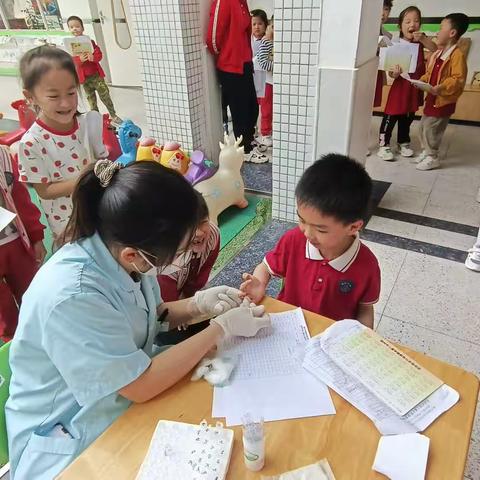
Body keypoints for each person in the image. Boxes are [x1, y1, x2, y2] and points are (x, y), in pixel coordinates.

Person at [6, 160, 271, 480]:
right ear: (133, 254)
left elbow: (150, 314)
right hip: (69, 442)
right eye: (179, 251)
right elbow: (139, 384)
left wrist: (199, 305)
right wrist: (219, 329)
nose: (182, 256)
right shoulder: (72, 296)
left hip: (121, 403)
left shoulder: (119, 250)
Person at [240, 154, 381, 329]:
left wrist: (365, 338)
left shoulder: (367, 264)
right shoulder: (294, 240)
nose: (307, 233)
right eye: (302, 220)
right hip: (286, 327)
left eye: (320, 229)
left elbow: (365, 308)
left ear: (353, 227)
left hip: (331, 339)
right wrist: (260, 284)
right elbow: (266, 267)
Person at [18, 45, 108, 246]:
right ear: (30, 96)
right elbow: (44, 191)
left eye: (71, 93)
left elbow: (100, 155)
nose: (66, 103)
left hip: (96, 209)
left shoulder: (85, 123)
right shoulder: (32, 143)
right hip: (68, 223)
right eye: (54, 96)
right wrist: (85, 178)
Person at [207, 0, 268, 163]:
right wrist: (227, 54)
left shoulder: (242, 2)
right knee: (240, 111)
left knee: (252, 107)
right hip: (230, 66)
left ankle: (248, 141)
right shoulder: (225, 1)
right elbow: (213, 37)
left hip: (245, 63)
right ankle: (244, 150)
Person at [156, 193, 220, 344]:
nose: (199, 233)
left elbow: (202, 272)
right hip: (162, 309)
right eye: (190, 228)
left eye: (203, 222)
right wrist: (183, 311)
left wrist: (192, 300)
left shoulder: (213, 236)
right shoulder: (165, 258)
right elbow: (163, 307)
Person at [377, 6, 436, 161]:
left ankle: (403, 142)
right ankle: (384, 145)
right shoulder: (396, 43)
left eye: (416, 21)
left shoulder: (421, 41)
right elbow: (390, 70)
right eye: (408, 21)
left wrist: (423, 38)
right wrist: (393, 73)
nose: (412, 24)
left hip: (415, 87)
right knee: (391, 115)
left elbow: (435, 49)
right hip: (400, 87)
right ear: (400, 26)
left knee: (408, 116)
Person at [0, 145, 45, 342]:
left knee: (34, 294)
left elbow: (22, 200)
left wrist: (36, 236)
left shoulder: (4, 156)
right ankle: (14, 343)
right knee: (4, 312)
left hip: (16, 241)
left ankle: (45, 333)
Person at [413, 13, 469, 171]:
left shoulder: (457, 55)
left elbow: (458, 79)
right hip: (432, 98)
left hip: (443, 100)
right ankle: (426, 151)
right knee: (422, 126)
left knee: (432, 129)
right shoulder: (438, 53)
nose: (437, 32)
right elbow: (430, 73)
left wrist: (442, 87)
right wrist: (422, 80)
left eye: (440, 28)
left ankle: (433, 157)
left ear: (452, 33)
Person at [67, 15, 123, 127]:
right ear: (69, 29)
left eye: (77, 26)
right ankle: (96, 119)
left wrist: (93, 57)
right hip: (84, 79)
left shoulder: (90, 42)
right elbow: (70, 61)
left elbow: (99, 54)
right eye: (71, 27)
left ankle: (113, 115)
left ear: (83, 28)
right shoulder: (69, 45)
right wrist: (79, 60)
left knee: (105, 95)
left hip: (96, 75)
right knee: (91, 99)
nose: (75, 29)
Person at [256, 16, 274, 149]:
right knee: (266, 108)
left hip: (274, 81)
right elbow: (262, 62)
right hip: (267, 82)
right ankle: (265, 133)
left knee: (273, 109)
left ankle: (269, 131)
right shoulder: (266, 42)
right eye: (273, 27)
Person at [373, 1, 393, 110]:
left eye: (386, 9)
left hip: (378, 72)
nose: (382, 13)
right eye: (379, 8)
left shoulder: (388, 36)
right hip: (363, 70)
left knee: (370, 104)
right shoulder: (361, 30)